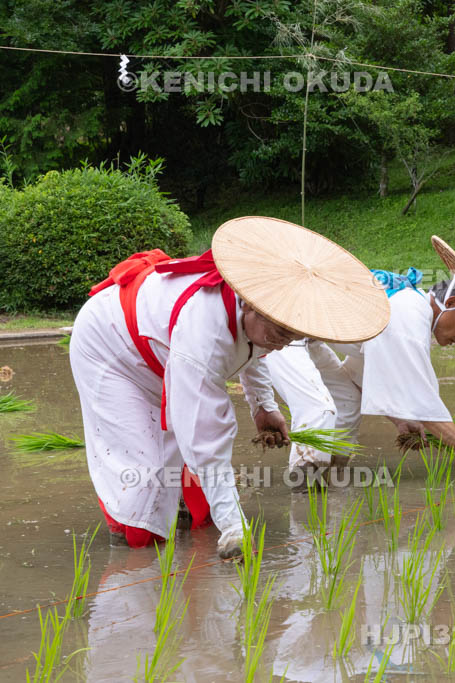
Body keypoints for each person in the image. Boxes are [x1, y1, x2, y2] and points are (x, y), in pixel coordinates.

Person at [69, 216, 389, 557]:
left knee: (183, 478)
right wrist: (235, 528)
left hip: (162, 350)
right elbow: (206, 437)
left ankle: (183, 514)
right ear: (249, 303)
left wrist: (263, 407)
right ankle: (131, 548)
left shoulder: (261, 321)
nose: (281, 344)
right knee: (144, 479)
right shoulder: (204, 332)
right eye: (279, 334)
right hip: (111, 349)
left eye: (291, 337)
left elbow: (255, 353)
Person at [264, 237, 455, 483]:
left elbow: (366, 379)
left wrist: (401, 420)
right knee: (318, 410)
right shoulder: (408, 316)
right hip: (281, 329)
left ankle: (331, 486)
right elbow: (423, 403)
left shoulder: (410, 309)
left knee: (347, 399)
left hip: (311, 337)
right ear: (450, 303)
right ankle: (305, 500)